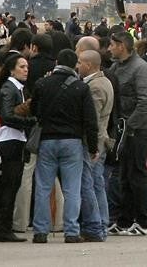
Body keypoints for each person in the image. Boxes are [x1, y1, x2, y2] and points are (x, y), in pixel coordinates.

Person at [30, 49, 97, 244]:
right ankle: (71, 231)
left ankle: (40, 231)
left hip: (47, 140)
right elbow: (90, 121)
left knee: (43, 187)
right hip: (72, 141)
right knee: (72, 188)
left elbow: (35, 110)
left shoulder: (42, 84)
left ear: (57, 61)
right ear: (75, 64)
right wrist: (92, 147)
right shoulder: (81, 88)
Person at [106, 29, 147, 237]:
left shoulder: (141, 69)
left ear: (121, 46)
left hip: (138, 130)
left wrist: (129, 127)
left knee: (137, 175)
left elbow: (145, 102)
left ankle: (145, 222)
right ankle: (125, 221)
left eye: (112, 45)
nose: (109, 48)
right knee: (124, 177)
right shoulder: (116, 67)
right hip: (123, 129)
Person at [0, 53, 32, 243]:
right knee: (9, 185)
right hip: (10, 140)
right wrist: (31, 121)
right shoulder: (9, 88)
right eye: (22, 67)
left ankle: (2, 227)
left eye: (26, 67)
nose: (26, 70)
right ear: (12, 69)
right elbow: (6, 116)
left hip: (15, 139)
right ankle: (2, 228)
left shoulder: (16, 88)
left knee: (11, 185)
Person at [76, 49, 112, 242]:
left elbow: (94, 120)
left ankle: (94, 225)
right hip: (101, 140)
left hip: (94, 143)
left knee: (87, 184)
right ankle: (102, 222)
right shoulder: (103, 81)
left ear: (89, 65)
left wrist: (92, 147)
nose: (77, 65)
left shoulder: (94, 87)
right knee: (97, 184)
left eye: (80, 62)